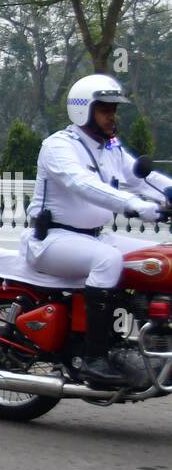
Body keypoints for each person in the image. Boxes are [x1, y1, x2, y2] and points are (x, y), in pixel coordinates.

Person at [22, 73, 170, 387]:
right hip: (52, 239)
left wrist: (168, 192)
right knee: (108, 261)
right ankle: (94, 357)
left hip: (93, 236)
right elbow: (82, 184)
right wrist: (134, 205)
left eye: (114, 110)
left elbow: (142, 178)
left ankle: (150, 337)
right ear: (83, 110)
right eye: (105, 109)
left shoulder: (111, 148)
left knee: (156, 258)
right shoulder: (59, 146)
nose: (111, 116)